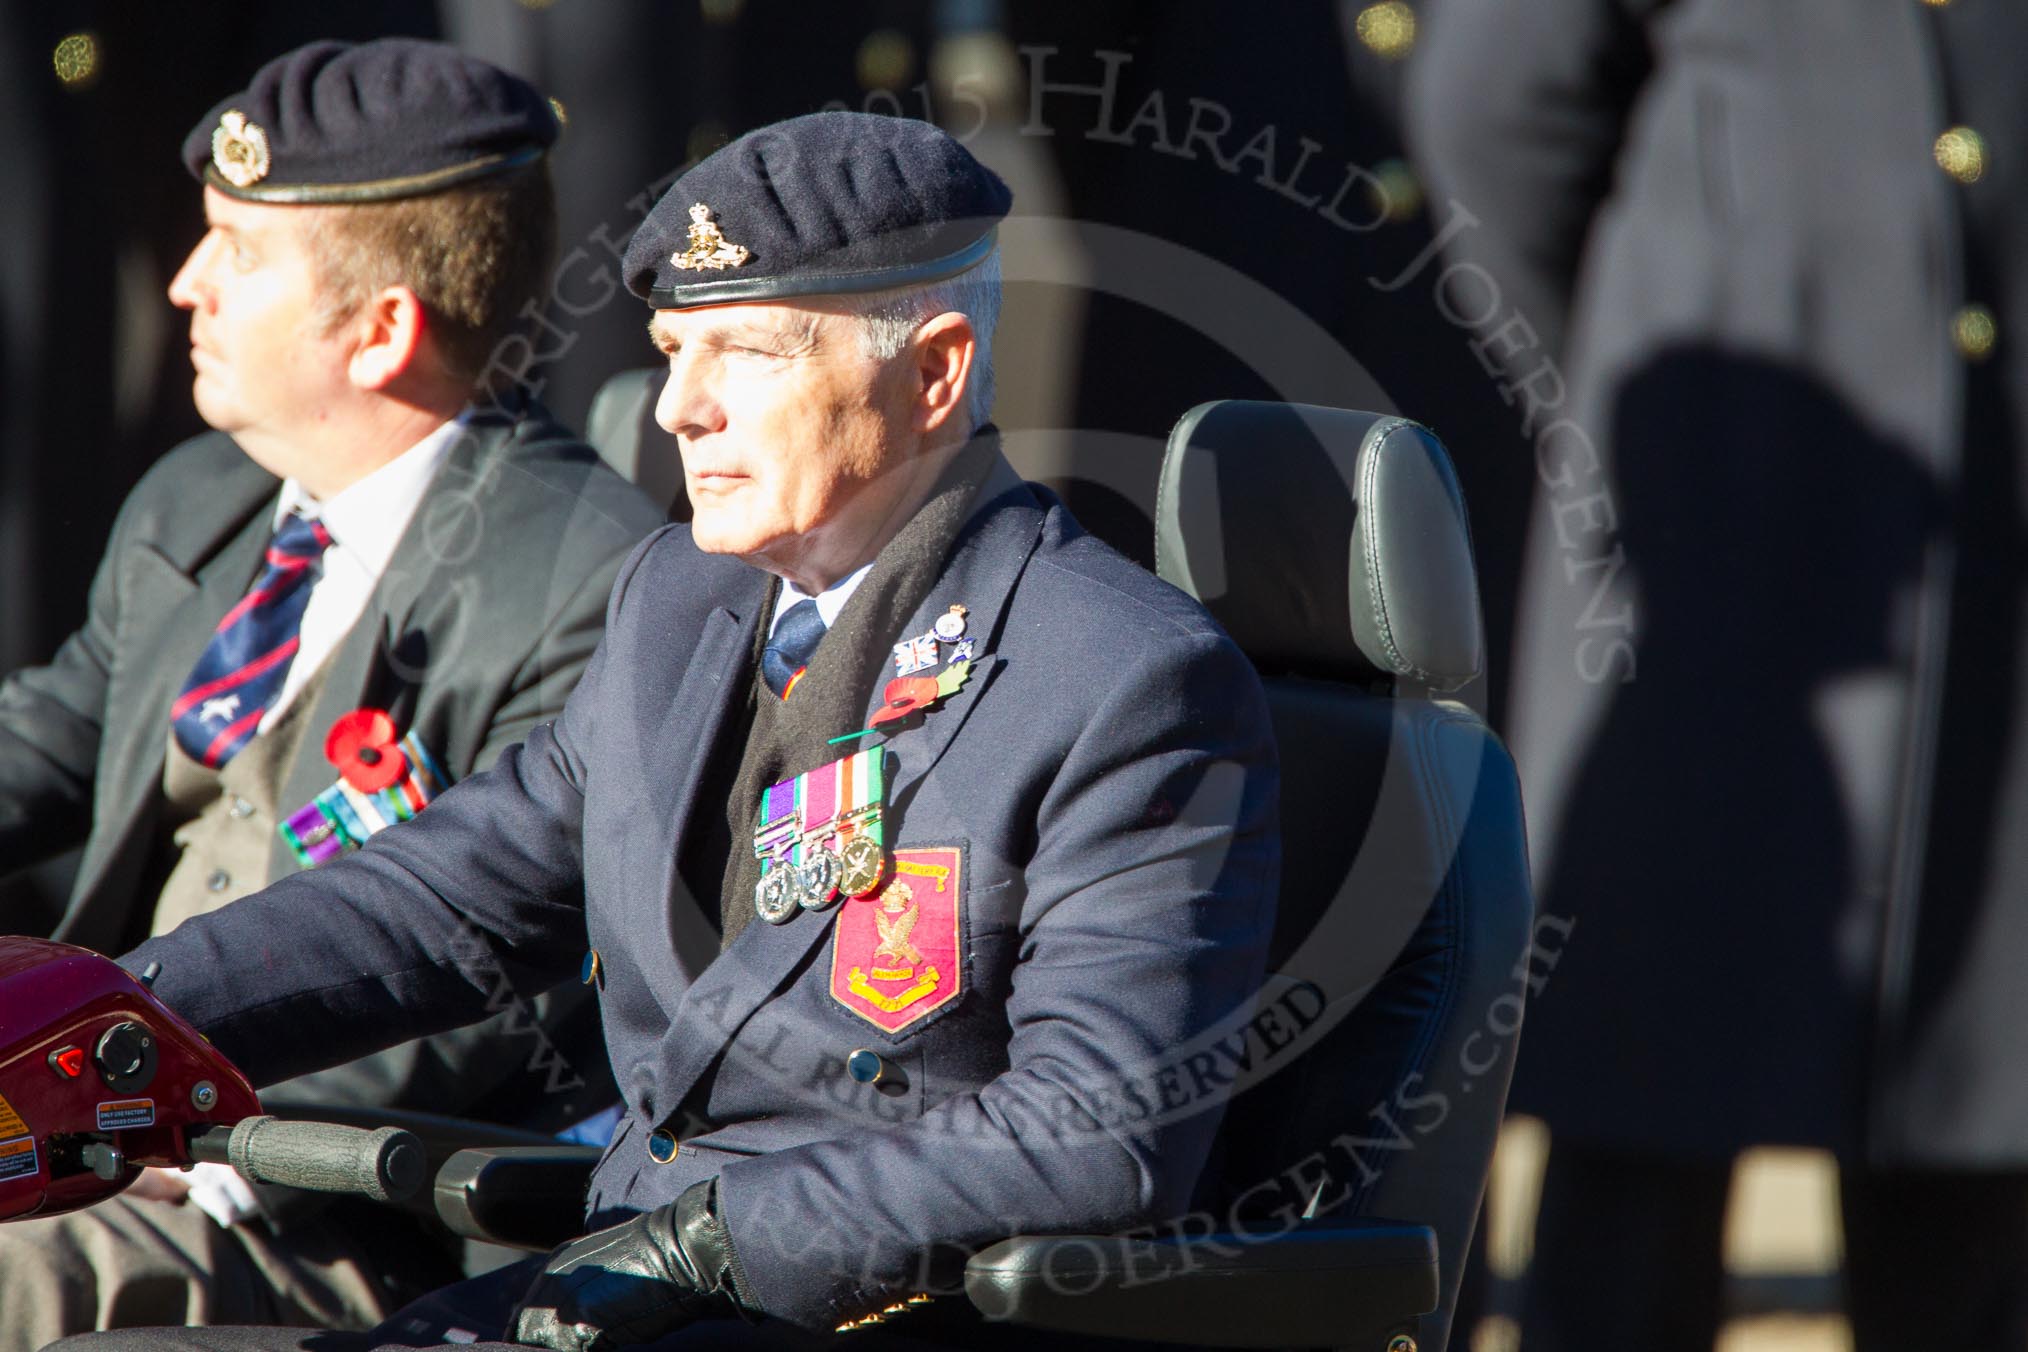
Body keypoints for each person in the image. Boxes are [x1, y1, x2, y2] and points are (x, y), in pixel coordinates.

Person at [59, 109, 1281, 1350]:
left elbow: (1096, 1139)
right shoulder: (677, 600)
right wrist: (98, 1011)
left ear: (935, 373)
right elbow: (444, 899)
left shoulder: (1121, 678)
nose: (678, 407)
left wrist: (708, 1238)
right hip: (614, 1294)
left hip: (855, 1307)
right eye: (670, 348)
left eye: (744, 352)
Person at [0, 38, 666, 1347]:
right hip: (82, 1119)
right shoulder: (200, 498)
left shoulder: (591, 583)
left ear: (380, 332)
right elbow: (54, 733)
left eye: (237, 253)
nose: (184, 284)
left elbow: (490, 981)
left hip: (330, 1205)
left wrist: (141, 1119)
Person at [1408, 1, 2028, 1346]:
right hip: (1720, 534)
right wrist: (1632, 371)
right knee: (1641, 1132)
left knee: (1981, 1131)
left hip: (1997, 539)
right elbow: (1498, 112)